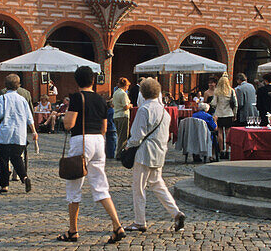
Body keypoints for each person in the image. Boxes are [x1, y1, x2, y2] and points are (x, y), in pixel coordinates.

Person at [57, 65, 125, 244]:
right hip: (98, 142)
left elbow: (69, 124)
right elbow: (104, 128)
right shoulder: (101, 99)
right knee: (101, 186)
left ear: (77, 81)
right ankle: (117, 225)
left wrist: (63, 116)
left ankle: (73, 231)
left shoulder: (77, 98)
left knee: (74, 186)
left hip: (82, 140)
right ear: (93, 80)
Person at [123, 78, 186, 233]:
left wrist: (128, 146)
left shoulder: (144, 110)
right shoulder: (165, 112)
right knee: (157, 184)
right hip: (159, 152)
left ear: (142, 93)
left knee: (139, 188)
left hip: (144, 153)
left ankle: (139, 221)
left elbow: (137, 135)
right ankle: (175, 212)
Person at [0, 74, 37, 194]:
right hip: (19, 134)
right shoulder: (22, 99)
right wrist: (34, 131)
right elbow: (29, 117)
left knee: (3, 160)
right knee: (17, 158)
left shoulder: (2, 98)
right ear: (18, 85)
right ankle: (24, 177)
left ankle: (4, 186)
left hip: (5, 133)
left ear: (6, 85)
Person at [210, 75, 237, 158]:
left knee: (220, 132)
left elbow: (214, 103)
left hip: (219, 113)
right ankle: (228, 150)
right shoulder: (231, 91)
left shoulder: (217, 91)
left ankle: (221, 150)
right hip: (228, 113)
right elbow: (235, 103)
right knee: (228, 133)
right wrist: (234, 114)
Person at [110, 78, 132, 161]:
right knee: (123, 137)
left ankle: (119, 153)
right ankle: (120, 154)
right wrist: (130, 105)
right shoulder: (123, 94)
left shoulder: (115, 93)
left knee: (119, 135)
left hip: (116, 115)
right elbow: (125, 106)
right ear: (125, 86)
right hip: (123, 115)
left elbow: (112, 104)